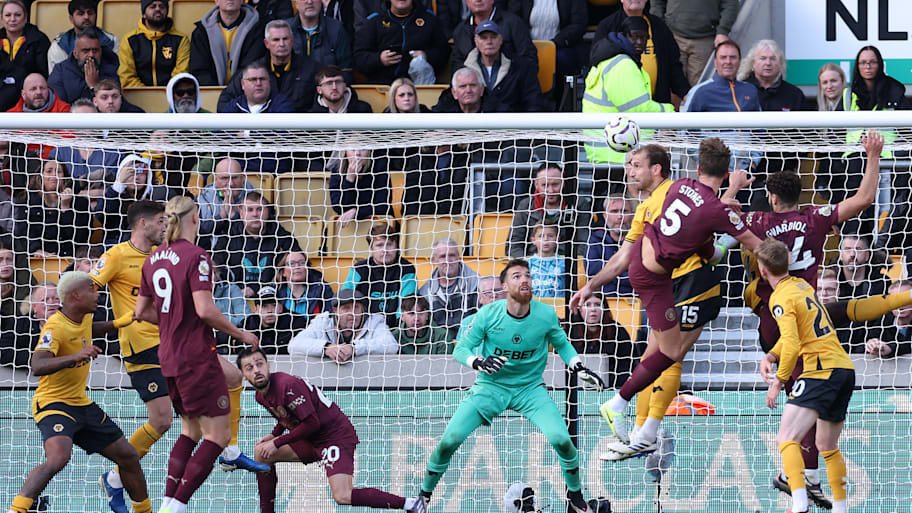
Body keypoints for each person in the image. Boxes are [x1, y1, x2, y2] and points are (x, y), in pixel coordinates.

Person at [574, 140, 762, 456]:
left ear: (655, 169)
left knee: (664, 355)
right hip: (675, 281)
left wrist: (592, 285)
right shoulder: (657, 200)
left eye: (635, 165)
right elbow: (707, 213)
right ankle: (641, 430)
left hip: (684, 280)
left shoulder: (669, 194)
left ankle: (641, 430)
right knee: (664, 355)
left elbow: (704, 216)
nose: (629, 171)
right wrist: (592, 285)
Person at [92, 200, 266, 513]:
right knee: (173, 424)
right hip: (160, 349)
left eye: (165, 220)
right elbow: (202, 309)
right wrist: (240, 334)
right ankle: (127, 482)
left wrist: (173, 319)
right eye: (158, 220)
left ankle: (227, 455)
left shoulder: (153, 258)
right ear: (195, 218)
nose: (162, 225)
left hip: (169, 348)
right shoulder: (132, 255)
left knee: (226, 385)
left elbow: (146, 309)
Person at [417, 259, 604, 513]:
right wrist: (478, 362)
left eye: (527, 275)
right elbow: (461, 349)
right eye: (516, 276)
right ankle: (423, 498)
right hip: (490, 387)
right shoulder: (488, 314)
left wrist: (578, 365)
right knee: (448, 441)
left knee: (562, 440)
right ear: (504, 286)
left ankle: (575, 497)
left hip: (530, 389)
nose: (524, 279)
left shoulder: (546, 314)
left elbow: (562, 344)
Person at [6, 271, 152, 513]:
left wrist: (119, 322)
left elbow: (88, 330)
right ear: (75, 295)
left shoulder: (82, 316)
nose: (98, 294)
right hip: (53, 403)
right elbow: (37, 365)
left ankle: (144, 511)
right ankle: (17, 509)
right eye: (92, 290)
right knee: (58, 459)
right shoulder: (55, 326)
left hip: (80, 404)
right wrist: (75, 357)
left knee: (128, 456)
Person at [236, 347, 426, 512]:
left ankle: (411, 504)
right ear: (244, 375)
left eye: (259, 364)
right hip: (310, 438)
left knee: (343, 496)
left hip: (333, 436)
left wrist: (277, 442)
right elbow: (289, 416)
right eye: (249, 368)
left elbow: (312, 423)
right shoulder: (260, 396)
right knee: (261, 453)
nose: (257, 370)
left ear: (268, 365)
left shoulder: (287, 385)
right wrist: (274, 434)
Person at [755, 238, 855, 513]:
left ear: (763, 270)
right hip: (843, 369)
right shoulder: (801, 286)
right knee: (826, 445)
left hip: (819, 370)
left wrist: (777, 383)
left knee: (786, 439)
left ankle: (799, 507)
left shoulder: (779, 297)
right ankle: (840, 509)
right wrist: (772, 355)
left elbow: (794, 343)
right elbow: (799, 332)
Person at [583, 16, 673, 164]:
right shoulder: (622, 65)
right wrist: (670, 111)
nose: (639, 42)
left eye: (644, 38)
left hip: (613, 154)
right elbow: (638, 109)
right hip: (618, 157)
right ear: (623, 35)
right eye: (634, 36)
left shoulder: (616, 60)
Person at [217, 20, 319, 113]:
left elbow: (319, 105)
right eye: (276, 40)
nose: (281, 44)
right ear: (267, 43)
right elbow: (224, 101)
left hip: (298, 129)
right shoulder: (253, 70)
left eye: (285, 39)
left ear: (292, 41)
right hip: (258, 130)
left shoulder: (311, 70)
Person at [212, 191, 301, 298]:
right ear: (241, 213)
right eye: (250, 210)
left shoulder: (283, 238)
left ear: (267, 212)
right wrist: (236, 291)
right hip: (234, 298)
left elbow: (296, 268)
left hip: (273, 298)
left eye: (260, 209)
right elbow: (217, 268)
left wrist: (256, 289)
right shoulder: (228, 237)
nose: (255, 214)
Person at [288, 288, 399, 360]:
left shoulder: (374, 321)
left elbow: (391, 345)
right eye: (346, 308)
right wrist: (326, 348)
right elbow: (293, 345)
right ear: (335, 310)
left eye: (356, 307)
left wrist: (354, 348)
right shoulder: (323, 321)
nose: (352, 313)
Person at [354, 0, 448, 85]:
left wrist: (426, 55)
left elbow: (444, 52)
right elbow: (358, 57)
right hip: (382, 85)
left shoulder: (429, 19)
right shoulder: (374, 21)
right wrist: (379, 59)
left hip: (419, 84)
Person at [461, 20, 547, 112]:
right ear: (476, 42)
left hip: (513, 123)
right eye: (484, 38)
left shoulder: (522, 67)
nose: (489, 42)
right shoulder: (464, 70)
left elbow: (533, 100)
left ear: (501, 40)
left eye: (493, 37)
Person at [649, 0, 740, 87]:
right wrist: (660, 26)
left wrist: (723, 31)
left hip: (705, 39)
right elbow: (657, 3)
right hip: (673, 36)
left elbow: (730, 3)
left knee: (700, 85)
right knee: (671, 83)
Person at [13, 159, 92, 257]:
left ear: (64, 176)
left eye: (58, 171)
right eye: (49, 171)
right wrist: (36, 250)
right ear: (41, 175)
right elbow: (23, 231)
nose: (54, 175)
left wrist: (65, 207)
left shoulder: (80, 203)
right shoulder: (26, 201)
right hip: (38, 258)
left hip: (71, 258)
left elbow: (80, 238)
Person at [92, 154, 176, 245]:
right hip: (114, 248)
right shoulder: (113, 195)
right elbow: (100, 215)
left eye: (141, 173)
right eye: (131, 173)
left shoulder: (154, 198)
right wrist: (118, 184)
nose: (136, 177)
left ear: (148, 177)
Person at [342, 223, 417, 324]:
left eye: (389, 244)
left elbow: (406, 307)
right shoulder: (359, 270)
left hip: (395, 328)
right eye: (379, 245)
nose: (385, 250)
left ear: (397, 246)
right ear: (371, 249)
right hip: (363, 327)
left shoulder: (407, 269)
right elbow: (344, 300)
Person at [568, 293, 638, 387]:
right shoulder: (569, 331)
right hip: (577, 387)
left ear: (604, 308)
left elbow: (627, 365)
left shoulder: (617, 331)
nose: (593, 309)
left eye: (597, 304)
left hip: (611, 387)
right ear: (579, 308)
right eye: (587, 305)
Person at [189, 0, 265, 86]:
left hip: (245, 91)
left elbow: (250, 68)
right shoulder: (201, 32)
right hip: (211, 92)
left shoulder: (256, 30)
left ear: (241, 1)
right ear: (216, 1)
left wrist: (230, 92)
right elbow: (199, 70)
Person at [450, 0, 537, 75]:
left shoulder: (514, 23)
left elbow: (529, 60)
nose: (478, 0)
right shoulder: (460, 31)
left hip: (510, 88)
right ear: (466, 1)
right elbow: (457, 66)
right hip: (474, 90)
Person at [118, 0, 190, 87]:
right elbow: (127, 76)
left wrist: (167, 93)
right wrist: (148, 95)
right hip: (138, 96)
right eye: (153, 6)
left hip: (171, 95)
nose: (158, 9)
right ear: (144, 13)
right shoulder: (130, 40)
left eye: (162, 6)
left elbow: (181, 74)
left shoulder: (181, 39)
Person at [508, 163, 574, 258]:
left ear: (563, 183)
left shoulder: (577, 204)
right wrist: (528, 265)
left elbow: (584, 243)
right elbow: (513, 245)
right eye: (545, 185)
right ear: (536, 184)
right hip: (532, 264)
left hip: (566, 265)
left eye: (555, 184)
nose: (550, 190)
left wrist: (566, 263)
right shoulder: (525, 205)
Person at [419, 238, 480, 339]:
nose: (448, 260)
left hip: (469, 342)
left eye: (452, 255)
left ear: (459, 257)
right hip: (439, 346)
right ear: (434, 260)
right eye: (443, 256)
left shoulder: (476, 284)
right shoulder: (425, 291)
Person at [508, 0, 586, 78]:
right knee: (516, 61)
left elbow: (578, 24)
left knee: (560, 60)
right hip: (526, 46)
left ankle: (559, 90)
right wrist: (527, 43)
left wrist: (554, 43)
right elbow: (514, 21)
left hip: (560, 46)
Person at [683, 39, 759, 114]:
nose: (728, 62)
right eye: (723, 57)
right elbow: (685, 124)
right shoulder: (699, 92)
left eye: (733, 57)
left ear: (739, 62)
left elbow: (760, 124)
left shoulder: (750, 90)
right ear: (715, 62)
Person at [284, 0, 352, 83]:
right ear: (295, 3)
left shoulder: (336, 29)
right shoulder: (284, 30)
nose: (309, 2)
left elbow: (346, 70)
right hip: (292, 92)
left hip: (327, 91)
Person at [47, 29, 120, 104]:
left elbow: (113, 105)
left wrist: (94, 86)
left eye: (95, 51)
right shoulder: (60, 71)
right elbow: (58, 106)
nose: (91, 55)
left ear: (100, 51)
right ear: (75, 53)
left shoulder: (110, 68)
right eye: (86, 51)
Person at [48, 0, 119, 74]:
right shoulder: (59, 46)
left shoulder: (111, 41)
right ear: (71, 19)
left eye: (90, 13)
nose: (86, 17)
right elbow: (57, 80)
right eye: (81, 14)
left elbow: (117, 75)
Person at [197, 157, 255, 246]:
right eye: (224, 178)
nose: (230, 184)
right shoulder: (202, 200)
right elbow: (197, 232)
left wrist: (233, 216)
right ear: (215, 180)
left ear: (243, 178)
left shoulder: (257, 201)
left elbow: (260, 233)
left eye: (235, 178)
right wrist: (221, 217)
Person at [584, 194, 634, 297]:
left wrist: (605, 274)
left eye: (624, 211)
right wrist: (625, 267)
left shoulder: (641, 241)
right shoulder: (595, 240)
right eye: (614, 211)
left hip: (635, 301)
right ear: (605, 216)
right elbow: (591, 270)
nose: (620, 216)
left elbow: (639, 275)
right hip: (602, 303)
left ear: (633, 215)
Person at [737, 39, 804, 112]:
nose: (768, 63)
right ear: (753, 63)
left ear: (780, 63)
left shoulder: (794, 94)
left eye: (773, 59)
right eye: (763, 58)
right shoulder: (739, 90)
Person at [275, 250, 334, 332]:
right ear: (283, 272)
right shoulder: (275, 292)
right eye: (292, 263)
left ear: (307, 269)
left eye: (302, 262)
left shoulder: (323, 290)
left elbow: (329, 319)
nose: (297, 266)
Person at [328, 149, 392, 224]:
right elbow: (338, 207)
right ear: (346, 152)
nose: (357, 154)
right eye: (353, 150)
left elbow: (382, 206)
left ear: (369, 152)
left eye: (362, 149)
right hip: (347, 227)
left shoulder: (379, 168)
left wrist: (356, 212)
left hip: (377, 224)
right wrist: (349, 179)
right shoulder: (337, 171)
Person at [218, 60, 295, 113]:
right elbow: (220, 132)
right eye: (253, 79)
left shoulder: (282, 104)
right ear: (243, 84)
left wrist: (247, 133)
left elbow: (283, 132)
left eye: (262, 79)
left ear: (269, 82)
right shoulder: (233, 106)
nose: (258, 83)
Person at [0, 0, 50, 77]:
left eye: (18, 15)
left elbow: (43, 74)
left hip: (28, 87)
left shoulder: (39, 40)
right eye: (8, 15)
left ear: (25, 18)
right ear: (2, 19)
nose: (12, 19)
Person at [851, 45, 906, 111]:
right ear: (857, 66)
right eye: (863, 62)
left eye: (873, 62)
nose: (868, 67)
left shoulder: (894, 92)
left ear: (880, 64)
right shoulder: (848, 95)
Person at [239, 286, 292, 354]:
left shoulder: (294, 323)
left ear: (281, 308)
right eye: (264, 306)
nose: (269, 311)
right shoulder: (246, 326)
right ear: (256, 310)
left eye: (274, 305)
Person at [866, 280, 912, 358]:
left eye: (905, 299)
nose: (901, 304)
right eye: (896, 300)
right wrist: (871, 344)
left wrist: (889, 348)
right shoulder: (880, 322)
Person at [431, 67, 506, 113]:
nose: (468, 90)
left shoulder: (498, 112)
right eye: (463, 86)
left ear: (482, 89)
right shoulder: (442, 113)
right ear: (454, 93)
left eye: (473, 85)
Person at [525, 220, 569, 298]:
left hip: (559, 307)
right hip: (534, 306)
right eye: (541, 236)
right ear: (533, 240)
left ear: (557, 239)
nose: (545, 239)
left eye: (550, 236)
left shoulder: (564, 263)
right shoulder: (526, 263)